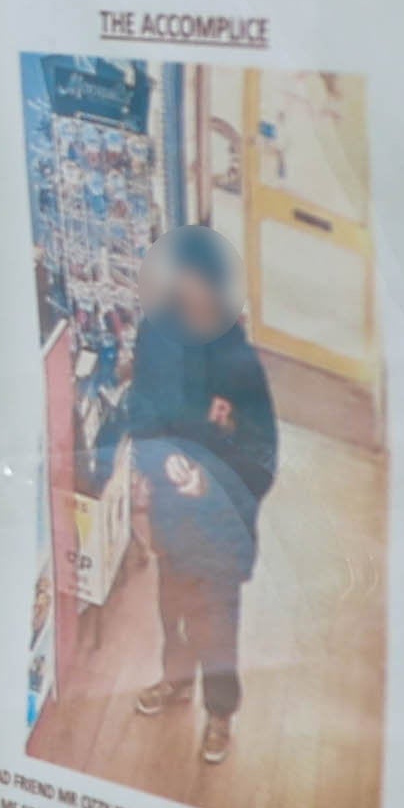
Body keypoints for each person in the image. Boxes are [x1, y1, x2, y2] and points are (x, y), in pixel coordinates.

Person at [91, 225, 284, 770]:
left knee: (216, 622)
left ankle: (220, 712)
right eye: (187, 286)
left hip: (223, 520)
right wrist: (161, 458)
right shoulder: (157, 337)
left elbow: (264, 451)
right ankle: (175, 684)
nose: (196, 299)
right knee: (173, 607)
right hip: (175, 515)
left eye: (207, 289)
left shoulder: (240, 363)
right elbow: (142, 413)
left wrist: (215, 482)